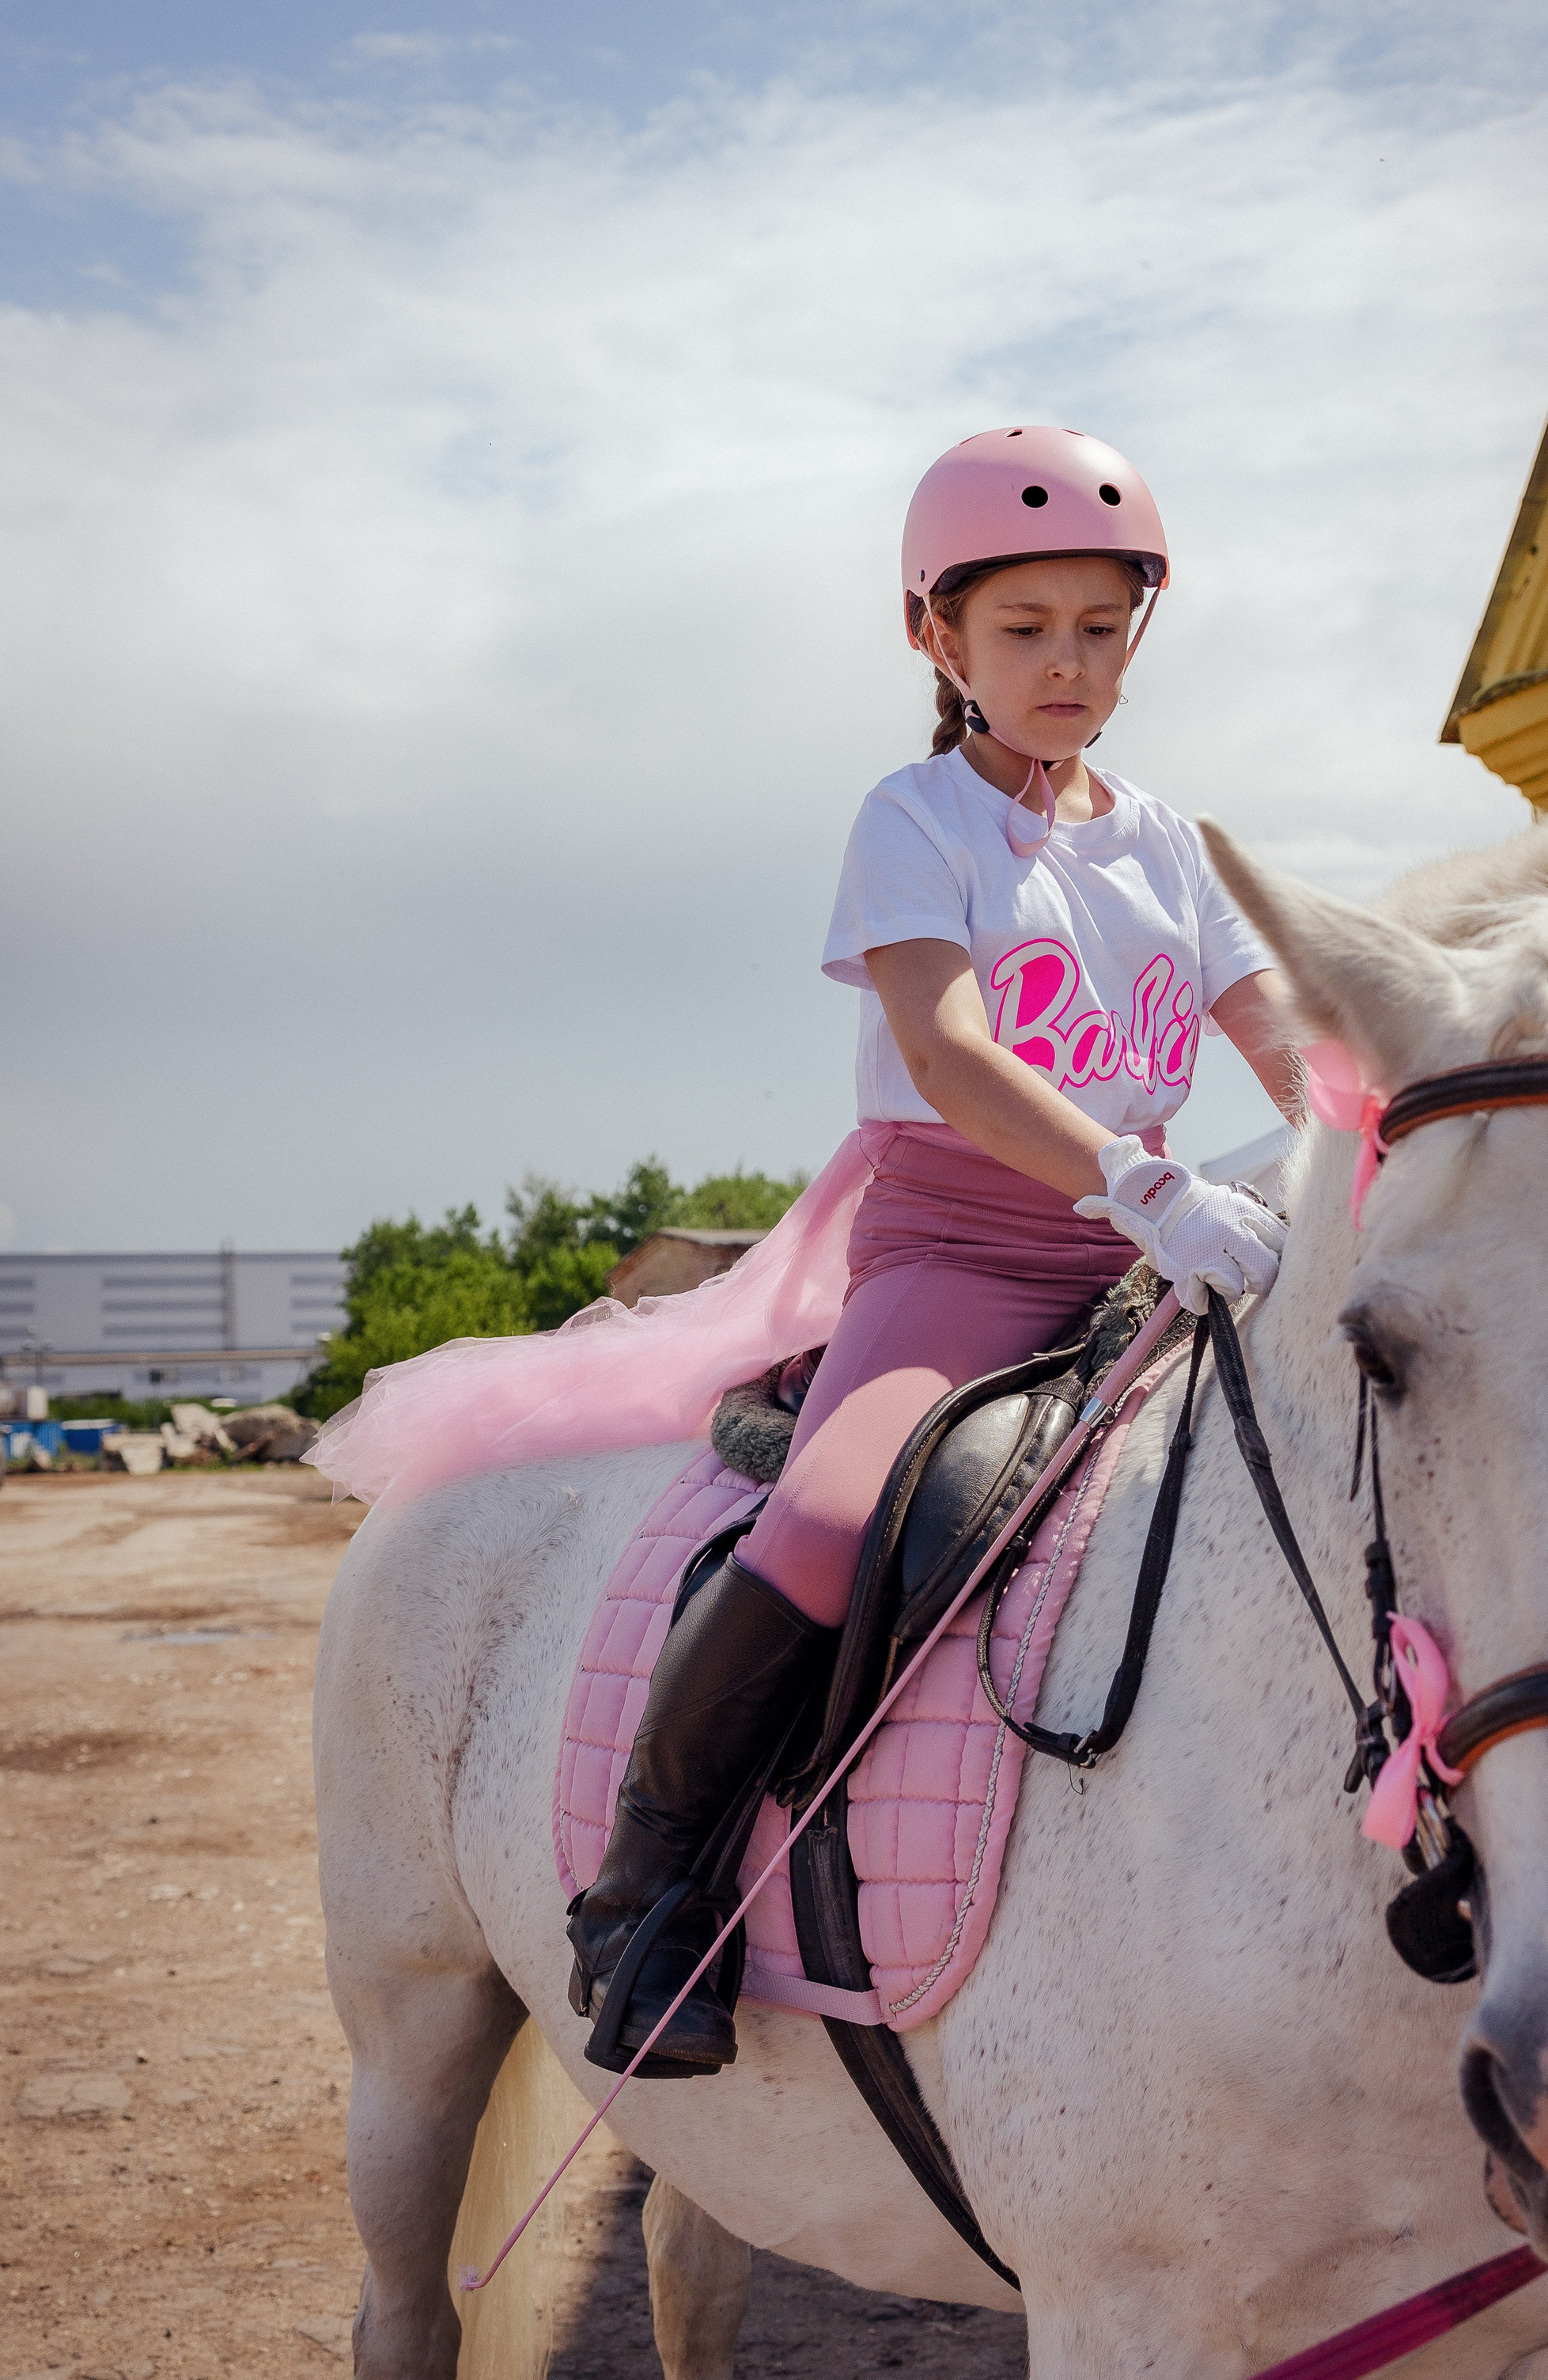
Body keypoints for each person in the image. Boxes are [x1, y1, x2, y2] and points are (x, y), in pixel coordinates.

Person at [566, 426, 1300, 2077]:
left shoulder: (1177, 846)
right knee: (832, 1520)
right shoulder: (914, 820)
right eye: (1024, 625)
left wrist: (1402, 1136)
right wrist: (1140, 1180)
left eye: (1099, 626)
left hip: (1146, 1256)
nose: (1065, 661)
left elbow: (1292, 1043)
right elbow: (955, 1053)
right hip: (962, 1247)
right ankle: (643, 1893)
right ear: (936, 637)